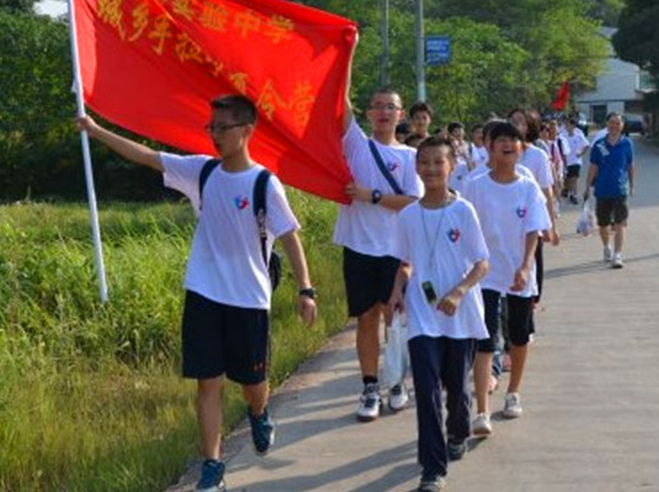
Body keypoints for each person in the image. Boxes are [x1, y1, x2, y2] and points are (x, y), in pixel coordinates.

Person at [75, 95, 318, 492]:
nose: (215, 134)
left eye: (222, 127)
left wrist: (305, 289)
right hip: (204, 292)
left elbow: (290, 237)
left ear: (246, 131)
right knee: (208, 382)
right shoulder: (201, 172)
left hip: (249, 298)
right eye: (212, 127)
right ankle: (213, 466)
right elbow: (148, 157)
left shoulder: (263, 183)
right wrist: (96, 130)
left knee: (252, 385)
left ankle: (259, 413)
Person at [388, 135, 489, 492]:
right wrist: (398, 291)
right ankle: (432, 469)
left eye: (438, 162)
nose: (431, 169)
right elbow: (405, 262)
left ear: (452, 167)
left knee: (457, 392)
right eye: (425, 162)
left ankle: (458, 431)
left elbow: (482, 263)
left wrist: (459, 291)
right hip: (422, 315)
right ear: (416, 167)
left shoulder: (463, 211)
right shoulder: (408, 215)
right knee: (427, 389)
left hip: (459, 316)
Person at [333, 78, 423, 421]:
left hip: (396, 247)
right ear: (369, 113)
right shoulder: (355, 144)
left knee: (394, 316)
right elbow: (339, 98)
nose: (384, 112)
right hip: (358, 246)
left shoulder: (411, 155)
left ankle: (396, 379)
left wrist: (372, 195)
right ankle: (371, 387)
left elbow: (413, 201)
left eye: (391, 106)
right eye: (378, 106)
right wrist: (349, 51)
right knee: (366, 318)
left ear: (401, 114)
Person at [463, 121, 551, 436]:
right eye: (502, 140)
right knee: (484, 339)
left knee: (519, 336)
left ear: (521, 147)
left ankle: (513, 391)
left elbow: (534, 231)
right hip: (485, 274)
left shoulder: (527, 186)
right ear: (490, 147)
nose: (509, 145)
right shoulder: (474, 185)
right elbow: (464, 228)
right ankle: (482, 410)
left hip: (518, 274)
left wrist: (526, 266)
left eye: (514, 140)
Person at [583, 112, 635, 269]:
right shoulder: (599, 144)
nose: (614, 126)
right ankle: (607, 247)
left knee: (620, 223)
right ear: (607, 124)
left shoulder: (627, 144)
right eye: (612, 122)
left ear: (622, 126)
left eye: (618, 123)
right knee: (603, 224)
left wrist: (632, 185)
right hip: (602, 189)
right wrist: (587, 186)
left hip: (620, 189)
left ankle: (618, 255)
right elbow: (593, 167)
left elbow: (631, 165)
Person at [563, 117, 590, 204]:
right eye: (565, 124)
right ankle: (567, 189)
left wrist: (581, 153)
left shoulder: (579, 136)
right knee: (567, 179)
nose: (566, 126)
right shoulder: (562, 136)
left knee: (574, 179)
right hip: (566, 162)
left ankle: (573, 195)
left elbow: (587, 145)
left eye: (568, 124)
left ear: (573, 125)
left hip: (576, 161)